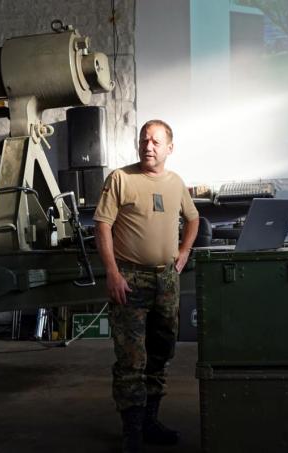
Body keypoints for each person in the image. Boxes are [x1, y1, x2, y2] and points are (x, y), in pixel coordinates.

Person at [93, 119, 199, 453]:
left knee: (161, 351)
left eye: (155, 141)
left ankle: (150, 421)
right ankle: (133, 432)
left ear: (170, 147)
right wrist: (112, 272)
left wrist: (184, 252)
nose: (148, 146)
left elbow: (193, 218)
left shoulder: (175, 182)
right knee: (131, 358)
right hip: (130, 279)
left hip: (166, 280)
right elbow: (102, 225)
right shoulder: (121, 179)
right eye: (143, 140)